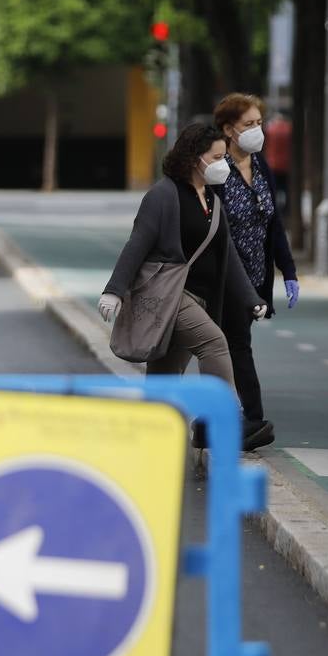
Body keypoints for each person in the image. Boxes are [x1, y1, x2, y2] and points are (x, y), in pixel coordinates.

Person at [98, 123, 265, 448]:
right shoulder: (163, 196)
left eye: (224, 156)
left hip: (201, 297)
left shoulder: (212, 199)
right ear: (193, 158)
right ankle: (225, 419)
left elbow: (227, 254)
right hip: (171, 296)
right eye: (215, 157)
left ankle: (146, 440)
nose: (222, 164)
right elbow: (138, 243)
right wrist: (114, 289)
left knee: (163, 376)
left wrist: (250, 297)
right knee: (214, 343)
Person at [212, 92, 300, 451]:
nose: (257, 130)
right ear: (229, 129)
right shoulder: (217, 169)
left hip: (255, 276)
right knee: (233, 346)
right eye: (248, 124)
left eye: (259, 123)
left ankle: (227, 421)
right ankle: (251, 419)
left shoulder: (260, 165)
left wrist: (288, 270)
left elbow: (273, 223)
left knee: (232, 346)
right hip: (223, 277)